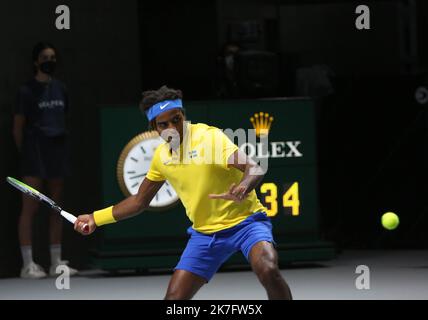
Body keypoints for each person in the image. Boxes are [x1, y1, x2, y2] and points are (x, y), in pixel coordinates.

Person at [74, 85, 292, 299]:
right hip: (205, 235)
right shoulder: (161, 158)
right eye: (164, 124)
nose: (172, 127)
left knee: (268, 270)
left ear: (183, 116)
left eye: (176, 119)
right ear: (155, 128)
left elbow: (253, 167)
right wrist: (95, 218)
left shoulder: (209, 138)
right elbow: (139, 201)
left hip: (247, 223)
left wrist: (244, 186)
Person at [13, 41, 77, 279]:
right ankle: (28, 265)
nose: (50, 61)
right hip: (34, 153)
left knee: (56, 207)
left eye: (53, 57)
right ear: (36, 62)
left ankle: (56, 263)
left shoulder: (61, 88)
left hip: (57, 152)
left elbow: (64, 117)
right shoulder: (26, 91)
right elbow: (17, 128)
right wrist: (26, 151)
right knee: (29, 208)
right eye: (45, 57)